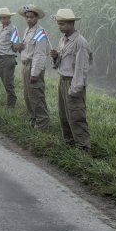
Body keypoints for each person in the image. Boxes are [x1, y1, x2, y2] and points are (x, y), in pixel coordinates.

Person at [50, 8, 91, 151]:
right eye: (58, 23)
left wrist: (74, 90)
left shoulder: (80, 42)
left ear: (70, 23)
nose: (59, 26)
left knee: (76, 115)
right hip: (63, 80)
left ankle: (83, 147)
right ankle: (69, 143)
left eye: (62, 24)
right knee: (64, 115)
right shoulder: (63, 40)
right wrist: (56, 57)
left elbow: (81, 69)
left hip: (73, 82)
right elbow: (62, 62)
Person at [15, 4, 51, 129]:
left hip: (33, 67)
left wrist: (35, 73)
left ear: (37, 18)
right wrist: (20, 47)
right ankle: (34, 119)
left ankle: (42, 123)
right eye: (27, 17)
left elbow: (40, 55)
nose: (29, 19)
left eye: (31, 17)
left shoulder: (40, 33)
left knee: (36, 96)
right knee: (28, 96)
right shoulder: (27, 31)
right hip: (25, 65)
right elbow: (28, 49)